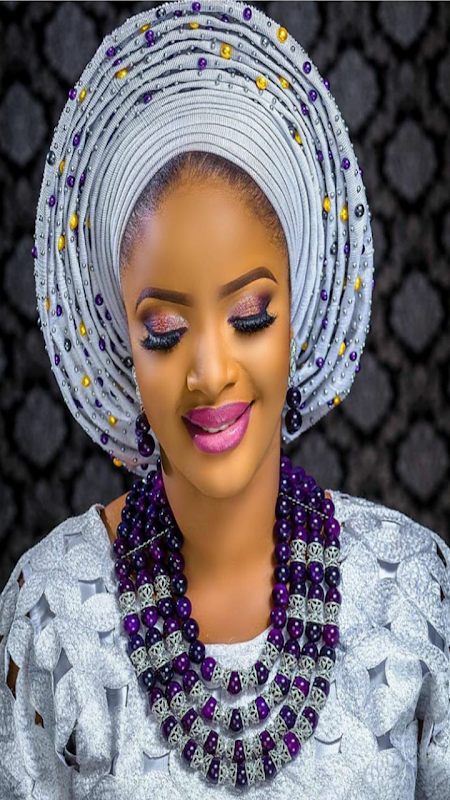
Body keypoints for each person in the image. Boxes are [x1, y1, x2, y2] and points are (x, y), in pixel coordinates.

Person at [0, 1, 448, 798]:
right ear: (123, 344)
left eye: (249, 317)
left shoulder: (415, 597)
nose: (209, 372)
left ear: (298, 316)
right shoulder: (52, 617)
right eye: (165, 331)